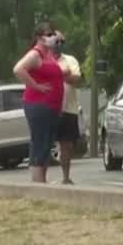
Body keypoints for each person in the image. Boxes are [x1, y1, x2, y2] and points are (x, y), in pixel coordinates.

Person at [13, 21, 66, 184]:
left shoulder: (48, 54)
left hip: (52, 106)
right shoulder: (35, 54)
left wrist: (57, 36)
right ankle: (37, 184)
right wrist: (35, 85)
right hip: (39, 105)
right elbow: (18, 69)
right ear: (39, 37)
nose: (52, 37)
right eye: (49, 34)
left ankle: (42, 181)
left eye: (52, 34)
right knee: (39, 143)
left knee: (47, 145)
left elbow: (61, 40)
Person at [51, 31, 82, 185]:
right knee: (43, 143)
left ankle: (66, 177)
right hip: (49, 109)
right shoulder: (43, 60)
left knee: (67, 145)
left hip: (68, 109)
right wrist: (62, 74)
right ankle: (40, 179)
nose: (58, 45)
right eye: (56, 41)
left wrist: (55, 75)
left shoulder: (70, 60)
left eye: (61, 42)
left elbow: (76, 78)